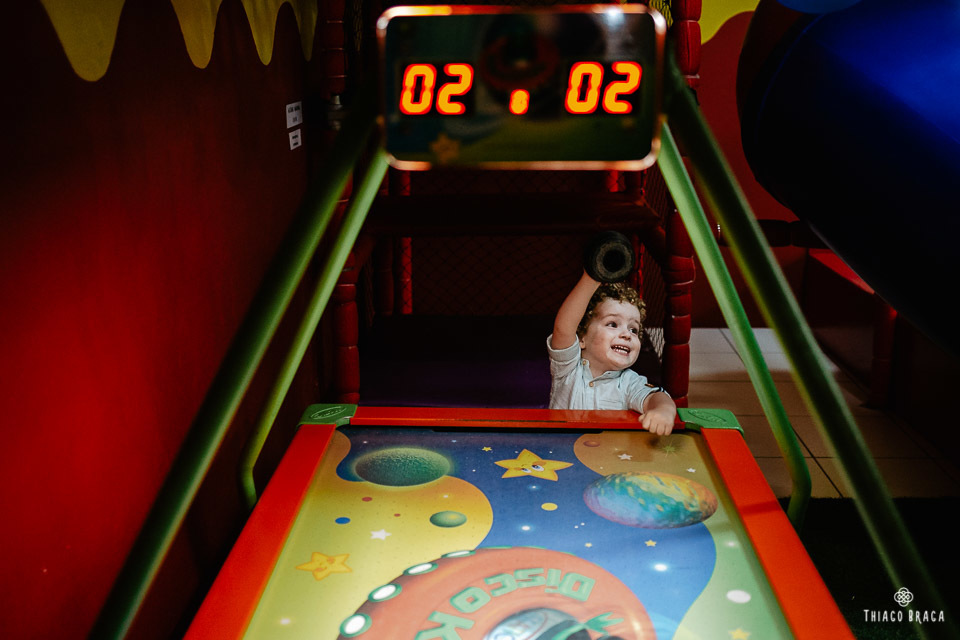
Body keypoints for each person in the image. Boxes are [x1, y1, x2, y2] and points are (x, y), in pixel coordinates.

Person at [548, 271, 677, 435]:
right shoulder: (568, 369)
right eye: (613, 324)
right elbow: (564, 327)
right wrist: (591, 278)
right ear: (581, 338)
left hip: (605, 456)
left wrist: (663, 411)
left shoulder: (629, 383)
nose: (626, 334)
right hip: (560, 452)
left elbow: (655, 397)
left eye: (634, 329)